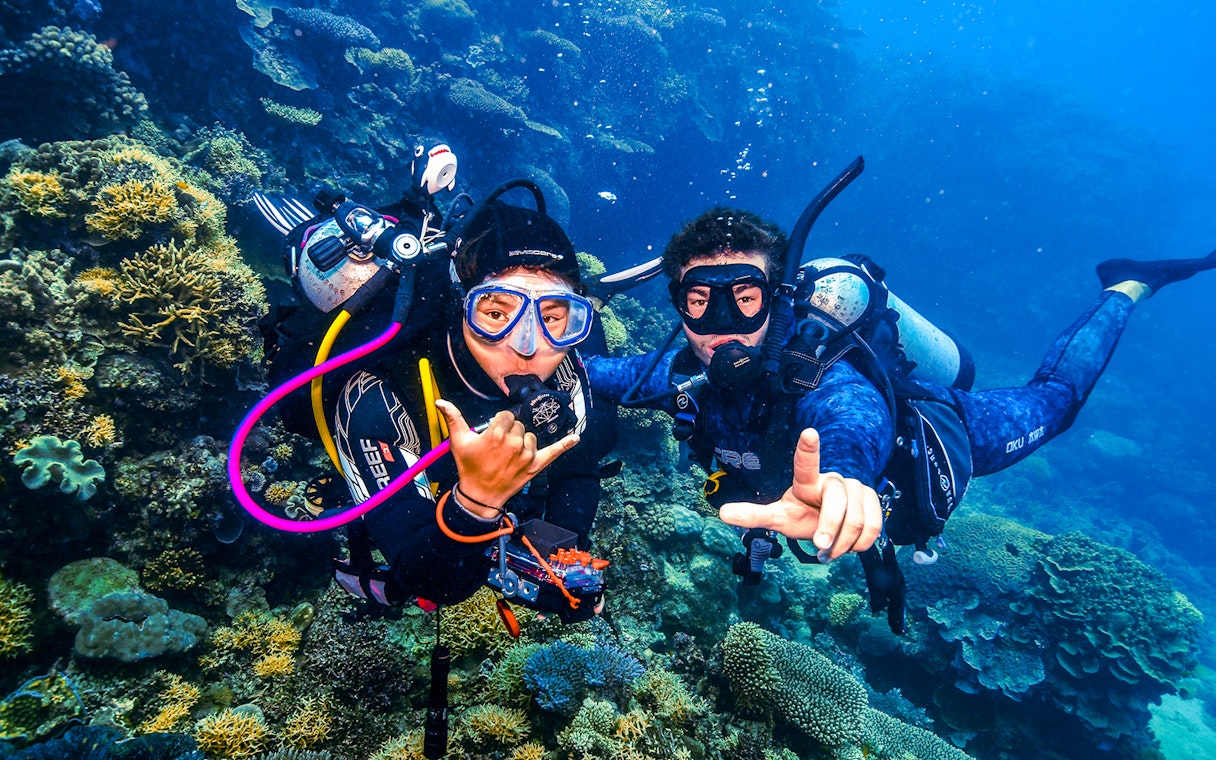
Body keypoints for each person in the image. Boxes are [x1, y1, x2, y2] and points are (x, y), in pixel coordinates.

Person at [584, 206, 1216, 632]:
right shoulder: (673, 377)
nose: (722, 328)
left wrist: (844, 479)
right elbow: (588, 373)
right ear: (678, 311)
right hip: (852, 518)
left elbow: (849, 418)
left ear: (777, 303)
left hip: (938, 433)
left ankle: (1126, 287)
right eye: (699, 303)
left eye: (744, 299)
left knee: (1055, 402)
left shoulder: (822, 373)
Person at [327, 184, 611, 614]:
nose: (528, 346)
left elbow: (579, 469)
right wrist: (477, 501)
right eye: (495, 314)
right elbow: (431, 582)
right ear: (460, 306)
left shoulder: (567, 366)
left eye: (553, 317)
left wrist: (561, 563)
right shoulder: (377, 389)